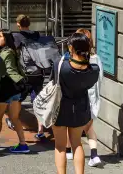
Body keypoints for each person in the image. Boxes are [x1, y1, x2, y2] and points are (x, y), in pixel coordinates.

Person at [52, 32, 100, 174]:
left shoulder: (61, 65)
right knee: (77, 144)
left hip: (60, 107)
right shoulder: (94, 70)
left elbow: (53, 83)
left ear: (72, 48)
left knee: (60, 146)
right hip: (80, 107)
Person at [0, 30, 30, 153]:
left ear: (7, 39)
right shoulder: (14, 51)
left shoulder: (4, 53)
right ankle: (23, 144)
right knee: (15, 118)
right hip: (16, 87)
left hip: (5, 87)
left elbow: (1, 70)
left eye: (1, 36)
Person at [12, 14, 48, 140]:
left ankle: (13, 121)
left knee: (18, 98)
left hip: (25, 73)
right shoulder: (37, 35)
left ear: (18, 24)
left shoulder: (17, 36)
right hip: (38, 72)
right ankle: (40, 130)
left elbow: (15, 52)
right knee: (38, 100)